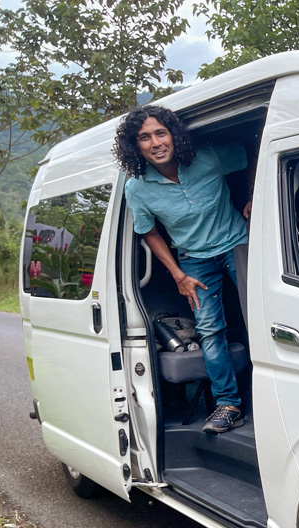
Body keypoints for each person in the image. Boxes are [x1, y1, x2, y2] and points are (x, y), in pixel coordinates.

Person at [112, 106, 251, 434]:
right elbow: (149, 232)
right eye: (145, 137)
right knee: (209, 330)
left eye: (161, 133)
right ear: (136, 146)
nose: (155, 142)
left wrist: (251, 195)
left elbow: (252, 153)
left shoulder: (209, 159)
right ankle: (229, 405)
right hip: (193, 260)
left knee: (261, 315)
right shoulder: (137, 188)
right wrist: (178, 274)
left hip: (237, 244)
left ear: (174, 135)